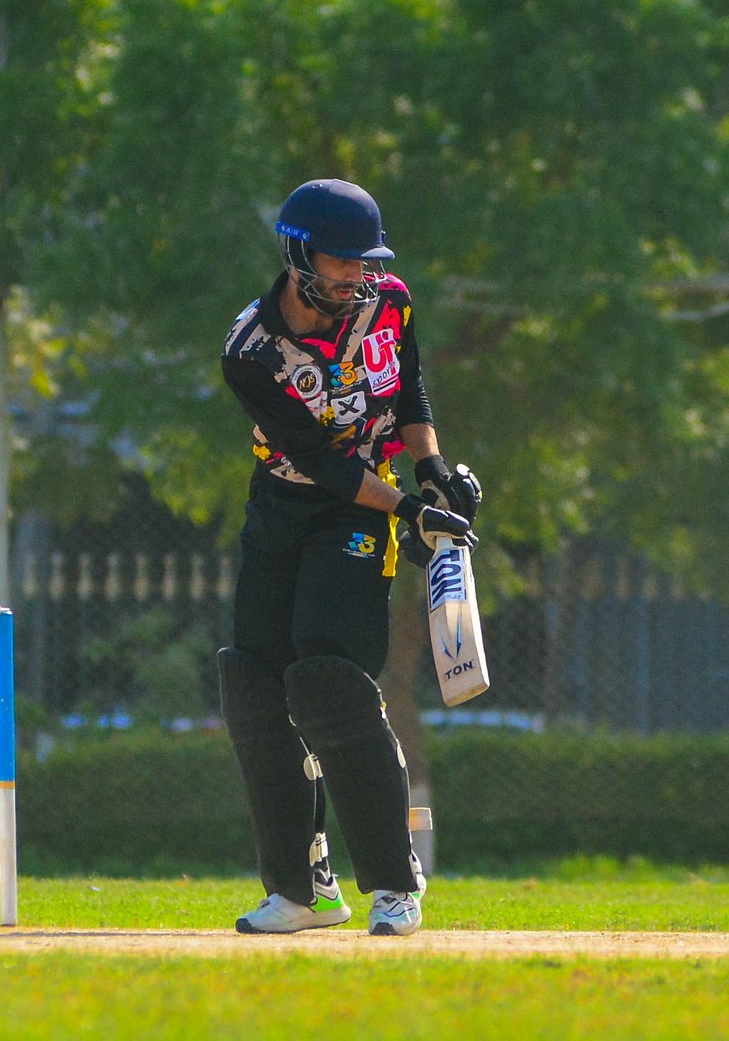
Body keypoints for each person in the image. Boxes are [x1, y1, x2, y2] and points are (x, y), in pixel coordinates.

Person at [218, 179, 482, 936]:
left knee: (328, 676)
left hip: (358, 515)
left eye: (365, 261)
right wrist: (411, 509)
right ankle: (302, 892)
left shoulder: (388, 302)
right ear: (299, 255)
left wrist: (433, 472)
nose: (355, 276)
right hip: (288, 501)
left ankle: (396, 884)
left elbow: (408, 390)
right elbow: (319, 462)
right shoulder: (251, 350)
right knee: (255, 682)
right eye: (341, 261)